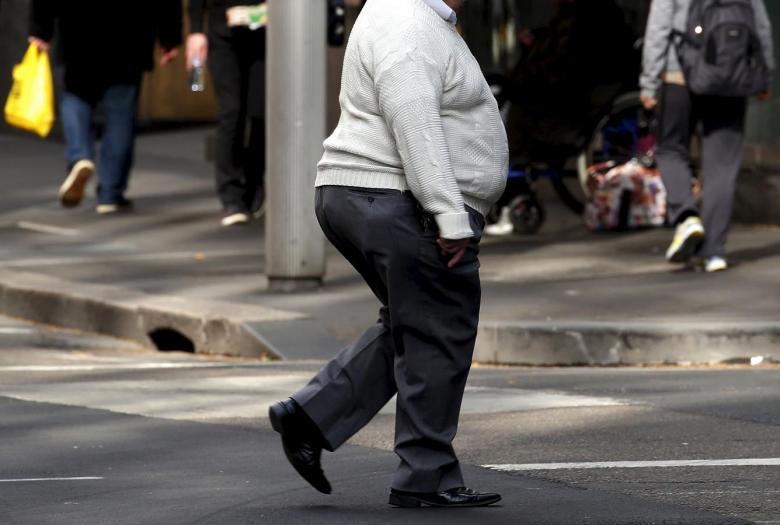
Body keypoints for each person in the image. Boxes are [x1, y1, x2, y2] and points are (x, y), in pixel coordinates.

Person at [268, 0, 508, 508]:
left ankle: (311, 416)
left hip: (375, 196)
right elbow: (413, 119)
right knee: (439, 332)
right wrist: (449, 215)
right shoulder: (407, 18)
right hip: (396, 198)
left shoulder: (410, 15)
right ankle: (427, 476)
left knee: (414, 323)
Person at [641, 0, 774, 272]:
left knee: (670, 149)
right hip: (732, 75)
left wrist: (649, 82)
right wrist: (764, 76)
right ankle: (714, 252)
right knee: (722, 165)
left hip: (680, 73)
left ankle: (687, 216)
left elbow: (659, 25)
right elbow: (761, 26)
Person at [29, 0, 182, 214]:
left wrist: (40, 29)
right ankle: (110, 194)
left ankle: (79, 155)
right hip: (130, 35)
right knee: (121, 114)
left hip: (78, 30)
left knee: (76, 99)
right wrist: (169, 36)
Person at [186, 1, 266, 227]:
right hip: (221, 34)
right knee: (231, 112)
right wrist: (195, 31)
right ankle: (232, 196)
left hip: (263, 34)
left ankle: (253, 184)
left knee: (259, 114)